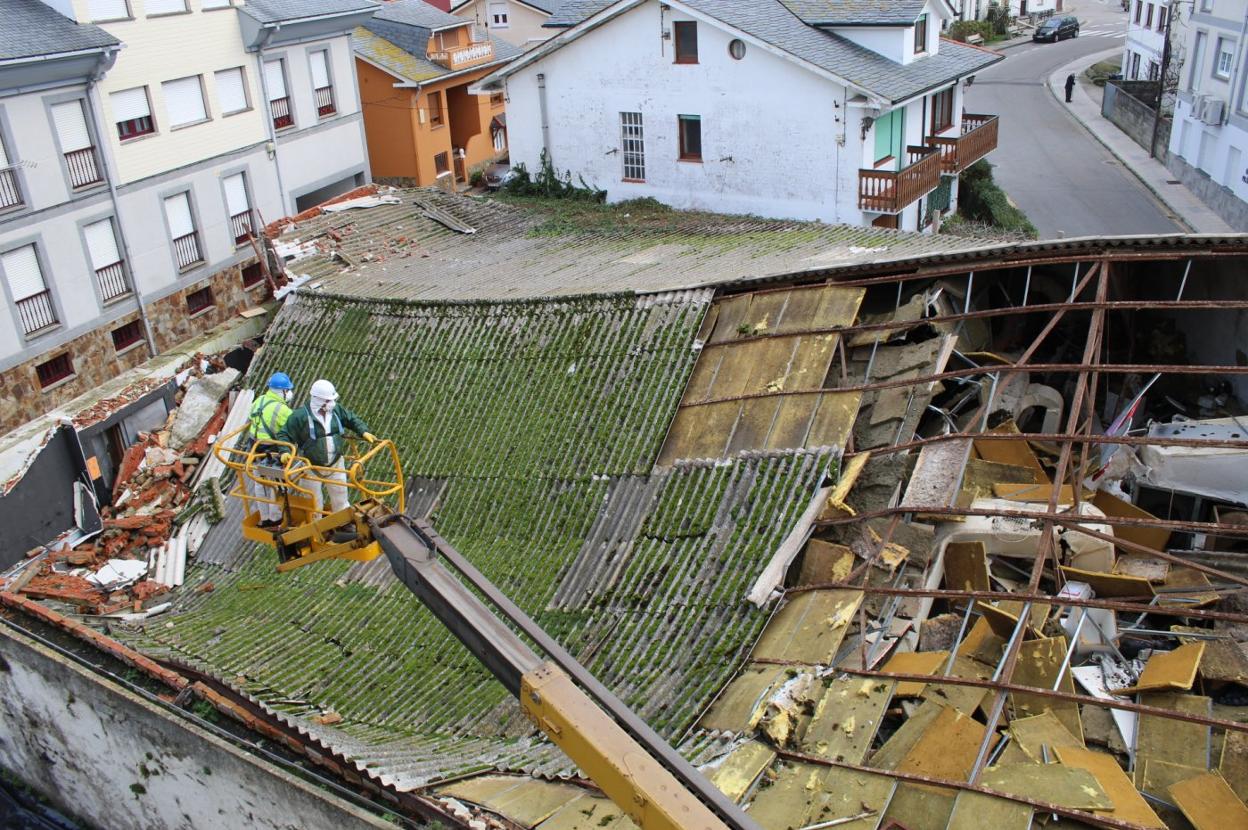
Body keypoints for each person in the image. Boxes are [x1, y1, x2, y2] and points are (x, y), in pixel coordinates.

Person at [276, 379, 376, 520]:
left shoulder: (336, 411)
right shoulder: (300, 416)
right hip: (311, 466)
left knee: (341, 497)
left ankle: (343, 524)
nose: (332, 403)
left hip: (335, 463)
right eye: (328, 401)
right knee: (314, 503)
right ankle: (318, 531)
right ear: (317, 400)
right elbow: (284, 434)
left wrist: (363, 431)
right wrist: (285, 451)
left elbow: (351, 419)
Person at [247, 372, 295, 528]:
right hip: (272, 451)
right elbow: (294, 428)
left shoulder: (258, 401)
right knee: (275, 484)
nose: (289, 393)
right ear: (281, 391)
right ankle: (276, 519)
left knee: (259, 483)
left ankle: (265, 517)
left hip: (254, 450)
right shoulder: (282, 409)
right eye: (287, 390)